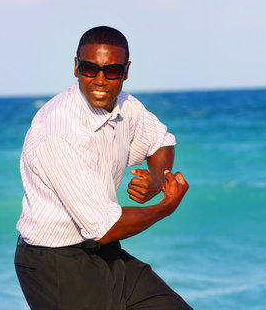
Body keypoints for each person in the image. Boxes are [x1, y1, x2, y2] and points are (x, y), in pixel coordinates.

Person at [14, 26, 193, 309]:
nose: (100, 80)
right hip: (56, 266)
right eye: (89, 68)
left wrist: (157, 181)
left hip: (105, 253)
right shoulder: (60, 131)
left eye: (111, 71)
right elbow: (105, 227)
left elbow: (160, 141)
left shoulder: (126, 105)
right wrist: (166, 206)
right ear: (76, 67)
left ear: (126, 71)